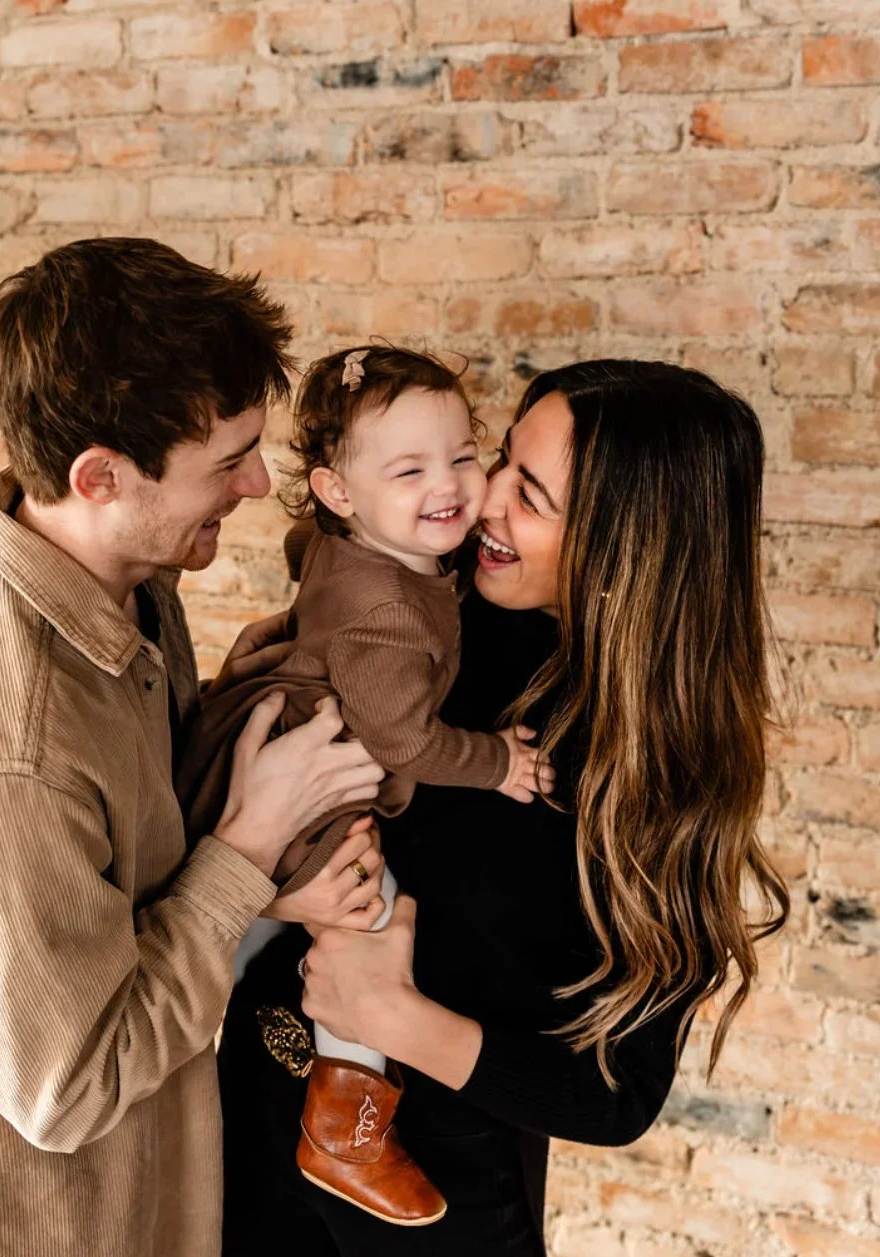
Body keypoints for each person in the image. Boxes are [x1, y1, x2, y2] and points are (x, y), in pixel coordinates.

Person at [0, 237, 384, 1257]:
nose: (261, 483)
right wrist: (251, 846)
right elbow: (72, 1086)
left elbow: (124, 869)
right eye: (227, 461)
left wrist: (243, 708)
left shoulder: (123, 575)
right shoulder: (11, 755)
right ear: (100, 475)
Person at [217, 359, 791, 1255]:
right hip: (249, 1107)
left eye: (531, 495)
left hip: (430, 1185)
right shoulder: (426, 608)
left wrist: (393, 1017)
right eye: (500, 463)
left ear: (621, 543)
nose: (481, 501)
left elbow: (615, 1095)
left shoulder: (653, 772)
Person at [176, 345, 551, 1226]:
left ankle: (186, 1026)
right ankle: (346, 1122)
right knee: (362, 908)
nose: (452, 485)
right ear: (341, 493)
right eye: (411, 469)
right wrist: (499, 760)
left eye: (465, 455)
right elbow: (405, 738)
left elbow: (307, 546)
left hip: (283, 742)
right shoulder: (387, 612)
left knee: (238, 939)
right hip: (318, 777)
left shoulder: (355, 545)